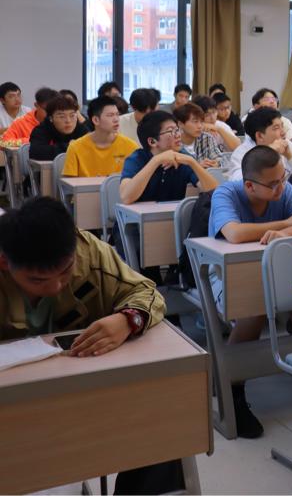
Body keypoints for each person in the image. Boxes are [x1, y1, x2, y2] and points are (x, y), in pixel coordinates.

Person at [0, 197, 182, 492]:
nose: (56, 287)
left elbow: (145, 291)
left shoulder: (89, 252)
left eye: (65, 272)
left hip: (84, 389)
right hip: (13, 403)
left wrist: (127, 319)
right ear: (5, 263)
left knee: (162, 420)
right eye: (37, 280)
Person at [210, 145, 292, 437]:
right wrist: (287, 223)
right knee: (255, 308)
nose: (281, 188)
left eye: (283, 179)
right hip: (225, 272)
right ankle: (232, 388)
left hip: (276, 269)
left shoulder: (283, 188)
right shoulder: (226, 193)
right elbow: (234, 233)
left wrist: (283, 234)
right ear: (249, 185)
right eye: (273, 184)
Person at [119, 111, 219, 204]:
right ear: (152, 141)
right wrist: (156, 160)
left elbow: (215, 192)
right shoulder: (136, 159)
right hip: (139, 216)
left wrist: (192, 162)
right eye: (171, 131)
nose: (178, 135)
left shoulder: (182, 157)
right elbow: (126, 197)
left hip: (172, 216)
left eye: (177, 130)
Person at [62, 96, 139, 177]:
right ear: (96, 120)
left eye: (117, 114)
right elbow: (68, 183)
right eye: (110, 115)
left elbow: (137, 180)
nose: (116, 119)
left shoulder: (131, 146)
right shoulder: (75, 148)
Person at [225, 107, 292, 182]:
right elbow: (238, 182)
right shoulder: (242, 154)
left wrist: (290, 156)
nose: (283, 132)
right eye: (276, 128)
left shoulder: (287, 145)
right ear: (260, 136)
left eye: (282, 126)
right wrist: (266, 154)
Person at [28, 95, 89, 161]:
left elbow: (91, 148)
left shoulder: (81, 129)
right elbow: (36, 152)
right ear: (51, 118)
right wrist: (69, 146)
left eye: (72, 115)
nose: (68, 121)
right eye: (62, 116)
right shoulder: (41, 130)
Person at [175, 102, 231, 168]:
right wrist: (197, 167)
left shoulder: (206, 138)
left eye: (201, 122)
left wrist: (217, 163)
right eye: (195, 121)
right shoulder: (174, 142)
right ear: (180, 124)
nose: (200, 126)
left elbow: (219, 159)